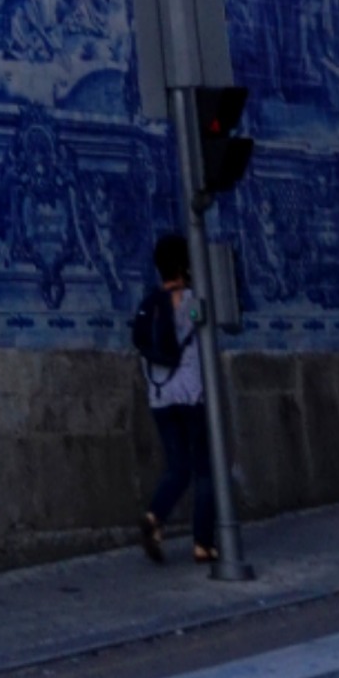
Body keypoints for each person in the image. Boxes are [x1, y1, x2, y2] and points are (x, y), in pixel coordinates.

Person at [133, 233, 217, 564]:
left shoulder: (148, 305)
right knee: (205, 470)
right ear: (184, 265)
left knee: (178, 467)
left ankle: (154, 516)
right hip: (192, 395)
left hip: (160, 397)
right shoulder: (194, 301)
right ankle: (203, 544)